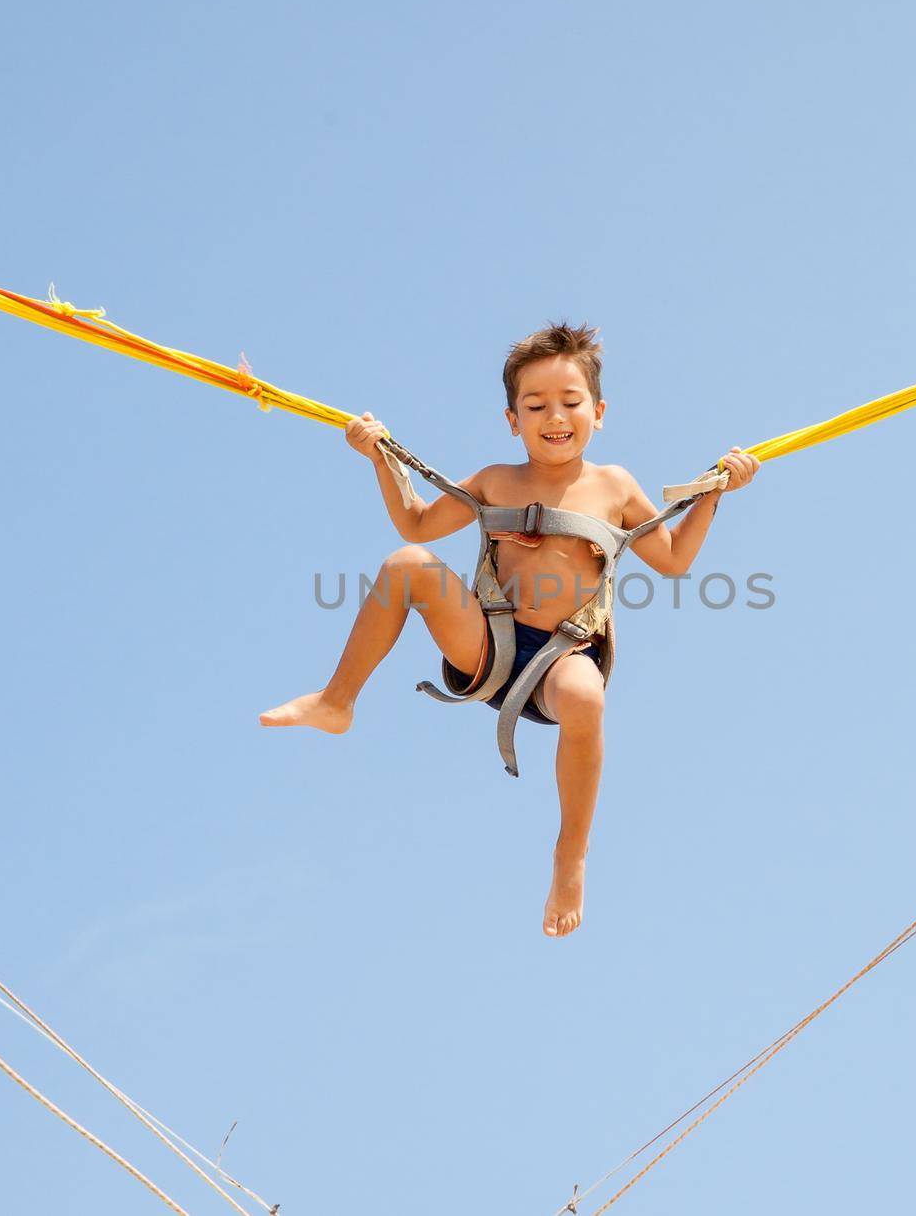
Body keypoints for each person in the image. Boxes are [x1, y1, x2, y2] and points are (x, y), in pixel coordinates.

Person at [260, 322, 760, 937]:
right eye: (536, 405)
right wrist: (380, 457)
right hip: (488, 644)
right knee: (406, 565)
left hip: (561, 657)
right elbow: (417, 524)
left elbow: (675, 558)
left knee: (584, 695)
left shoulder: (616, 485)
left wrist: (717, 488)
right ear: (511, 419)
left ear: (598, 413)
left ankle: (569, 855)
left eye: (571, 402)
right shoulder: (495, 480)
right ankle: (336, 701)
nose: (556, 415)